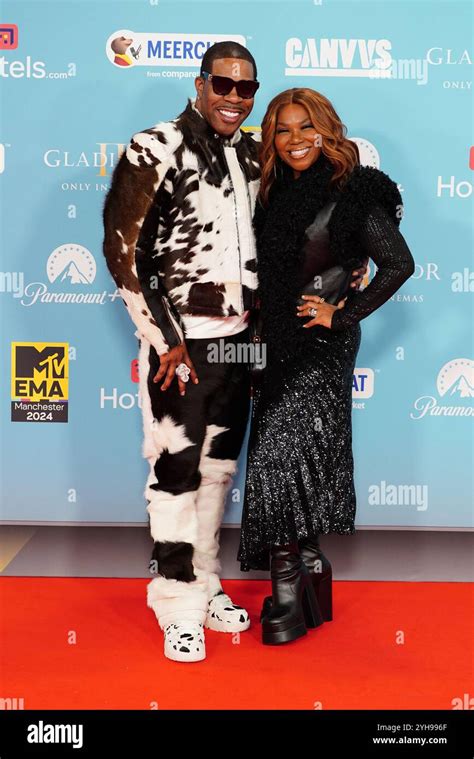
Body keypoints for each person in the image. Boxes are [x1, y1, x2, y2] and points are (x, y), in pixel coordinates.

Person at [237, 88, 415, 646]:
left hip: (322, 345)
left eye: (306, 127)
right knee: (295, 457)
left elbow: (399, 263)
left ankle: (288, 589)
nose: (295, 140)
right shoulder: (269, 194)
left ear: (327, 131)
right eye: (283, 130)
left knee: (276, 459)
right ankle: (311, 565)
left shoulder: (352, 191)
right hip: (272, 342)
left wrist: (342, 314)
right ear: (271, 138)